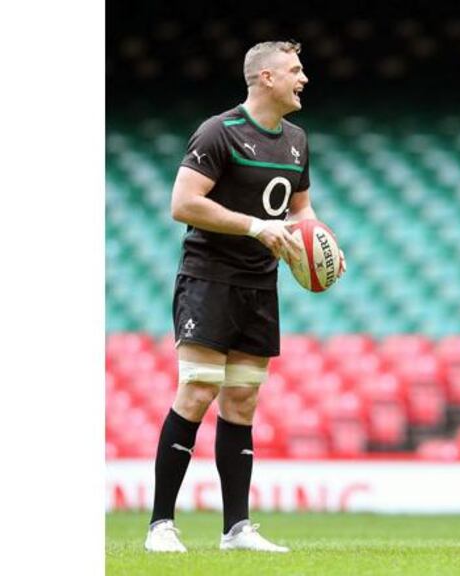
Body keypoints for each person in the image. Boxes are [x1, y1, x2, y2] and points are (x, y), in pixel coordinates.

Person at [144, 40, 343, 553]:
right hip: (209, 277)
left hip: (260, 283)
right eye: (295, 70)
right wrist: (256, 227)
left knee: (242, 400)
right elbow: (183, 204)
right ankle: (160, 525)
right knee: (198, 390)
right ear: (265, 78)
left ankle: (237, 529)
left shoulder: (297, 140)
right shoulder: (219, 131)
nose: (304, 79)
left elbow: (300, 208)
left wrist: (320, 239)